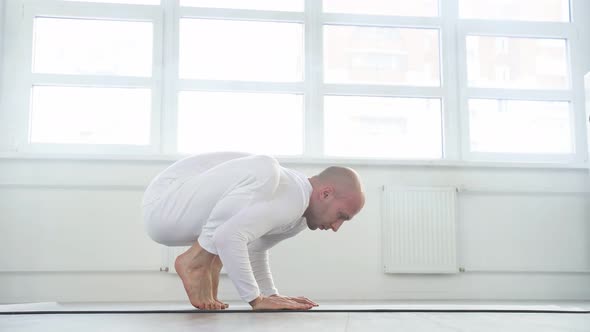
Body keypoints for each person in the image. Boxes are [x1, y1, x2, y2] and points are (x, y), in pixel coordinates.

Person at [141, 152, 365, 311]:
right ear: (325, 194)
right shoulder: (295, 195)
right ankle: (197, 259)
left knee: (258, 191)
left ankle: (207, 257)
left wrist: (270, 295)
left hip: (176, 212)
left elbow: (255, 250)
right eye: (341, 216)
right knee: (265, 165)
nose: (336, 227)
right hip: (165, 199)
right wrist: (255, 299)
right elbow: (228, 237)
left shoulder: (298, 218)